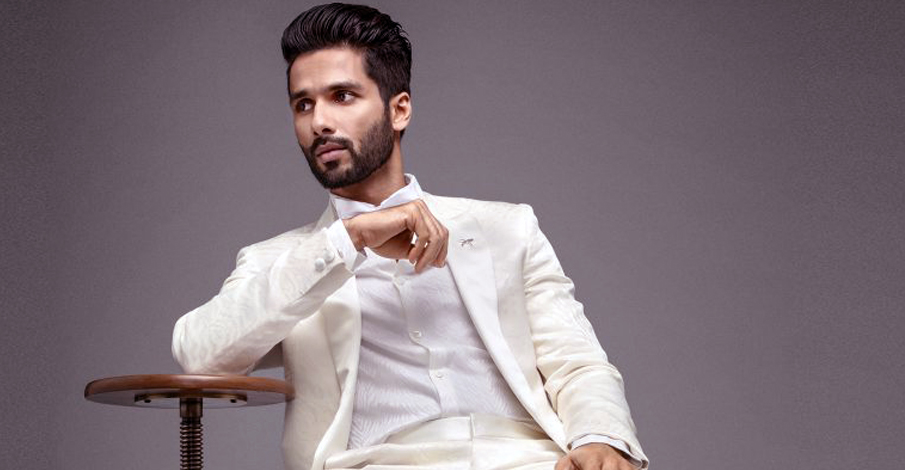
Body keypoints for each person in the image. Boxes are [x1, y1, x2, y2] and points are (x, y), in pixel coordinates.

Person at [172, 3, 648, 470]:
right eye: (303, 104)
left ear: (399, 110)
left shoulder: (507, 229)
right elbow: (200, 356)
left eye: (342, 96)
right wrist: (348, 239)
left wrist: (600, 440)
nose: (319, 122)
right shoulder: (282, 261)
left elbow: (577, 362)